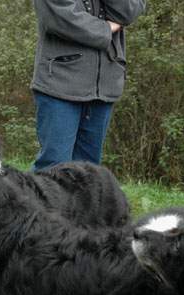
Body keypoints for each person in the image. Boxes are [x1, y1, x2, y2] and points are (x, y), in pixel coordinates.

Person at [31, 0, 145, 172]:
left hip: (106, 84)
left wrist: (111, 23)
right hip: (60, 82)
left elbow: (128, 11)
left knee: (89, 174)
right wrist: (107, 29)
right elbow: (62, 18)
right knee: (53, 170)